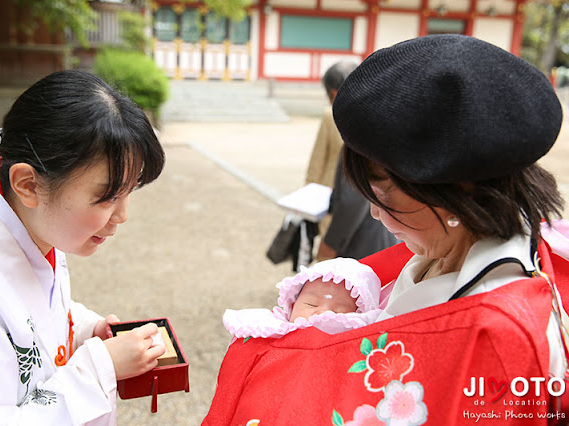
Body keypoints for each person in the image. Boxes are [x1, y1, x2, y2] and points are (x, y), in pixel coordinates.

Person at [204, 35, 569, 424]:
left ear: (454, 191)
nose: (376, 215)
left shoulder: (496, 335)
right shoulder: (470, 247)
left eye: (383, 196)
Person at [0, 69, 167, 424]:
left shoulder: (32, 226)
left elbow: (39, 310)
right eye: (107, 196)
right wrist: (100, 366)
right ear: (27, 184)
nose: (122, 215)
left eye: (129, 190)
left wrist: (86, 329)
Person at [223, 258, 382, 339]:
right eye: (311, 304)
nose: (321, 313)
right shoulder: (273, 327)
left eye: (337, 310)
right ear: (291, 305)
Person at [305, 62, 358, 242]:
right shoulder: (377, 114)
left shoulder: (330, 115)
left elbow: (318, 160)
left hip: (330, 194)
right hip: (365, 205)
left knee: (329, 251)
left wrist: (309, 191)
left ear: (333, 93)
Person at [316, 152, 399, 261]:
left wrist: (331, 244)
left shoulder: (358, 145)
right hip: (380, 238)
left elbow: (352, 201)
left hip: (362, 243)